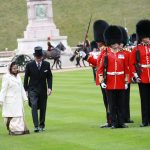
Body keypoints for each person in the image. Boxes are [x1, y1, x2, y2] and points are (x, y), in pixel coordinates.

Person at [99, 25, 129, 128]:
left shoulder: (123, 54)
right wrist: (102, 81)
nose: (117, 44)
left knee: (121, 103)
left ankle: (121, 122)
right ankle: (113, 122)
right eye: (115, 43)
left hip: (120, 80)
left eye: (117, 42)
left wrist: (126, 82)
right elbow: (100, 69)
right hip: (110, 81)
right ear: (111, 43)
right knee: (112, 104)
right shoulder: (106, 54)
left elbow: (126, 69)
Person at [24, 46, 53, 132]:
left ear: (42, 57)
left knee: (43, 108)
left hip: (43, 90)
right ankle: (36, 126)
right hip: (32, 89)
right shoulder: (29, 65)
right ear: (35, 57)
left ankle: (42, 125)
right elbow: (26, 78)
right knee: (34, 105)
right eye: (37, 57)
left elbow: (49, 77)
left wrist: (50, 88)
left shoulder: (46, 64)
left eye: (40, 57)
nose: (39, 59)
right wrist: (25, 90)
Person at [130, 19, 150, 127]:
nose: (147, 39)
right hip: (142, 76)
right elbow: (132, 64)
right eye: (146, 37)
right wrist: (136, 76)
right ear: (142, 37)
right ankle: (145, 120)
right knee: (144, 99)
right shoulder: (136, 49)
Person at [0, 62, 29, 135]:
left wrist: (25, 98)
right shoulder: (6, 77)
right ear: (10, 69)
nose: (15, 70)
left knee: (19, 115)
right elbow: (3, 89)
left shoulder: (18, 76)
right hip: (10, 100)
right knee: (12, 115)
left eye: (16, 68)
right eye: (14, 68)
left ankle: (19, 129)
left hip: (18, 100)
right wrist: (1, 100)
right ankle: (13, 130)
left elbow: (21, 88)